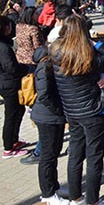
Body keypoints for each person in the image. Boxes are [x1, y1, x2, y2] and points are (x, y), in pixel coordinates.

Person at [50, 14, 104, 205]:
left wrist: (102, 75)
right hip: (92, 111)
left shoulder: (56, 52)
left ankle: (76, 197)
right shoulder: (87, 55)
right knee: (94, 158)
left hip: (72, 112)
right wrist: (94, 43)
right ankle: (92, 201)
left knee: (75, 154)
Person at [29, 46, 67, 204]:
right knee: (48, 156)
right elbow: (44, 95)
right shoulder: (44, 68)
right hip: (47, 117)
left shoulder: (48, 66)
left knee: (53, 153)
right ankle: (48, 194)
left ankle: (54, 186)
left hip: (51, 117)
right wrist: (58, 110)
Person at [0, 15, 29, 158]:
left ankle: (14, 140)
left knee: (19, 110)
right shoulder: (3, 47)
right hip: (8, 84)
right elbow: (11, 67)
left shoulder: (4, 44)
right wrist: (24, 68)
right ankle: (8, 147)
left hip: (7, 83)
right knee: (11, 114)